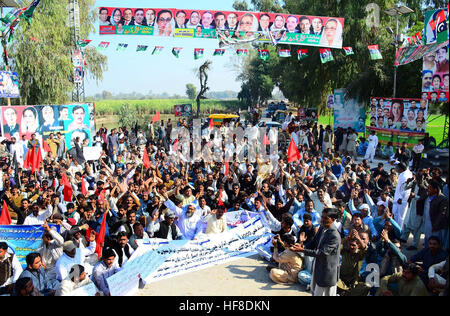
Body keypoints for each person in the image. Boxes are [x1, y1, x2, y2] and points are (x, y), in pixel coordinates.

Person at [291, 208, 341, 296]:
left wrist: (302, 250)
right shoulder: (322, 227)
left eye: (326, 218)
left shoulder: (334, 235)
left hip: (327, 272)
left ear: (333, 220)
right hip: (318, 267)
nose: (322, 220)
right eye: (322, 217)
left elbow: (322, 253)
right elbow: (315, 241)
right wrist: (303, 246)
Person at [392, 162, 413, 229]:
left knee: (400, 217)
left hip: (401, 199)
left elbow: (406, 188)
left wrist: (401, 198)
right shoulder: (405, 173)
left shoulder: (405, 176)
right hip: (398, 197)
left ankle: (399, 232)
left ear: (400, 168)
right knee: (396, 215)